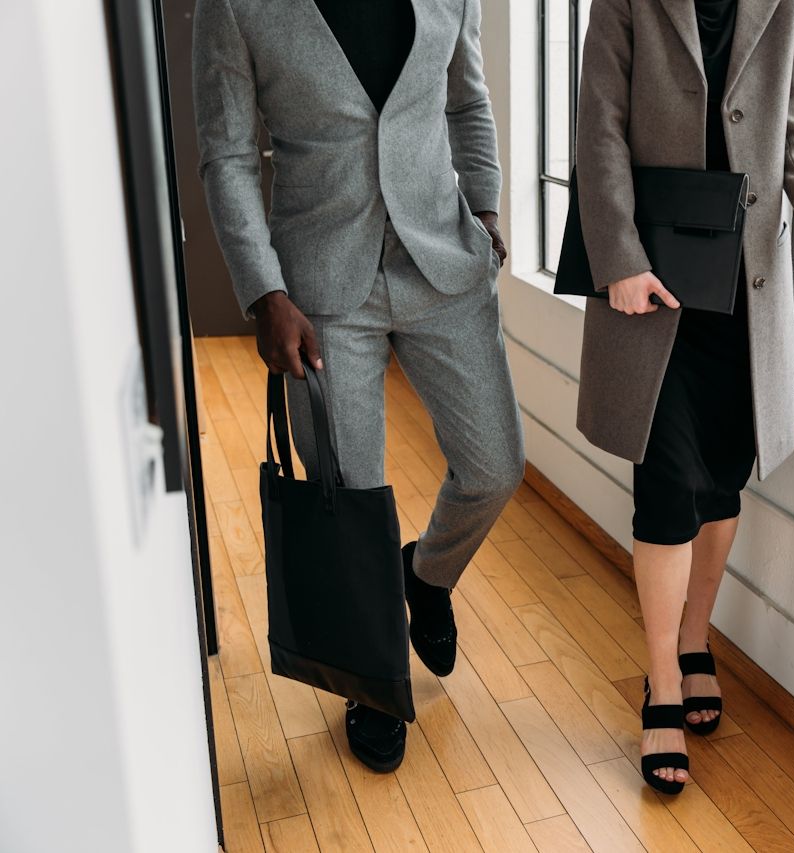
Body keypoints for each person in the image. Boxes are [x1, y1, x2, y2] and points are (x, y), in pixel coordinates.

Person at [574, 0, 794, 794]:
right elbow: (599, 127)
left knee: (720, 477)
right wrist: (617, 254)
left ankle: (697, 636)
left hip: (745, 286)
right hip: (650, 282)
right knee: (664, 484)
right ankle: (661, 679)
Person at [193, 0, 524, 773]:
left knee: (494, 467)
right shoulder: (236, 7)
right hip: (320, 287)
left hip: (444, 262)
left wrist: (484, 204)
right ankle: (373, 683)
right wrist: (263, 291)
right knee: (352, 494)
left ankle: (425, 576)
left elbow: (466, 98)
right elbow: (229, 153)